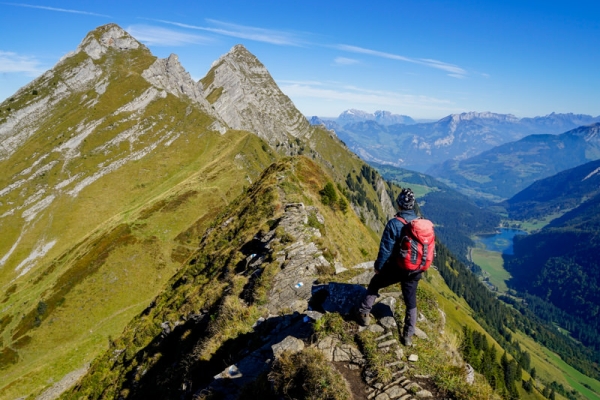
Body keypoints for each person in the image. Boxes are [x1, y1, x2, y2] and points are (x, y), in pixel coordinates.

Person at [355, 188, 423, 346]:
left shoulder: (394, 223)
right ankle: (408, 335)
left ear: (399, 204)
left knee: (374, 284)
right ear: (412, 205)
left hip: (395, 268)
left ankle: (364, 314)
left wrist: (379, 266)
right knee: (410, 302)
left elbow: (385, 249)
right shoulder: (420, 223)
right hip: (414, 271)